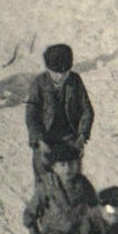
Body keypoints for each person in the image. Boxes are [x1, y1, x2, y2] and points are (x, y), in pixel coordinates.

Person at [25, 44, 94, 199]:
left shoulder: (75, 80)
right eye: (56, 73)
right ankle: (42, 209)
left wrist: (82, 135)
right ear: (49, 70)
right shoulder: (39, 83)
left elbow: (87, 110)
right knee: (44, 177)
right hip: (45, 138)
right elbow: (32, 114)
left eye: (65, 72)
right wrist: (39, 140)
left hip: (69, 137)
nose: (61, 77)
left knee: (72, 177)